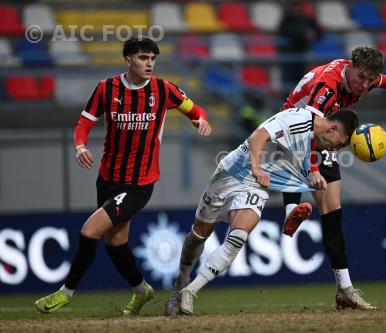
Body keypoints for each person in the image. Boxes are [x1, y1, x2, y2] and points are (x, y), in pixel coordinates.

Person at [34, 36, 212, 316]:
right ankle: (142, 292)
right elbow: (84, 123)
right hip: (107, 179)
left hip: (139, 183)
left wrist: (200, 119)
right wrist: (80, 146)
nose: (149, 63)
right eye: (143, 58)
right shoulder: (107, 89)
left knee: (88, 231)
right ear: (128, 60)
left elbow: (195, 109)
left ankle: (65, 293)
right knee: (116, 244)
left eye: (153, 59)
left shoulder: (164, 90)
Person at [167, 107, 359, 315]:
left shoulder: (312, 136)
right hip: (231, 173)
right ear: (332, 129)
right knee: (199, 234)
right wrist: (257, 168)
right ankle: (182, 279)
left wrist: (313, 174)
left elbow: (301, 156)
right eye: (339, 144)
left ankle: (190, 291)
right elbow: (258, 136)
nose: (334, 150)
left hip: (256, 186)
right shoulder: (298, 119)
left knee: (237, 237)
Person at [278, 46, 386, 310]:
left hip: (321, 132)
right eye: (361, 78)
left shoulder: (366, 78)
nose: (364, 86)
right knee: (299, 152)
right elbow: (305, 129)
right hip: (291, 127)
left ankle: (345, 290)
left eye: (369, 80)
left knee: (333, 212)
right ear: (350, 67)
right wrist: (313, 169)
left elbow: (380, 80)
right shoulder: (326, 87)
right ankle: (290, 210)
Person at [278, 1, 322, 90]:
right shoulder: (286, 20)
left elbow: (319, 31)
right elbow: (287, 32)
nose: (297, 9)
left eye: (298, 6)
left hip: (303, 57)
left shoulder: (307, 19)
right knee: (289, 85)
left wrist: (314, 34)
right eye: (295, 6)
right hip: (289, 58)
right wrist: (304, 35)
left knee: (301, 85)